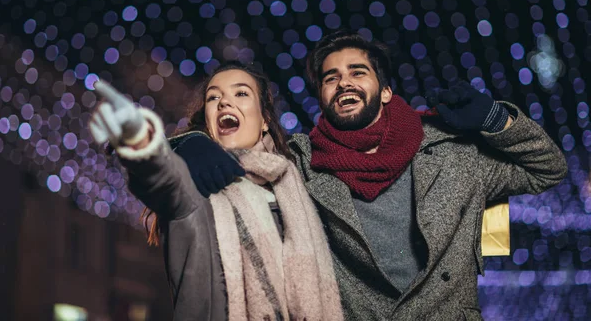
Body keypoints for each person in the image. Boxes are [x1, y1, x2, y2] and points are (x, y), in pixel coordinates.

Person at [185, 31, 569, 320]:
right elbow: (242, 145)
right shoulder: (301, 162)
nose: (344, 83)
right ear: (321, 95)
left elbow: (547, 169)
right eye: (331, 78)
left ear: (384, 91)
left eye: (357, 72)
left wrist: (494, 118)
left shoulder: (453, 153)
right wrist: (188, 142)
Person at [88, 62, 344, 321]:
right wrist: (142, 142)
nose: (224, 103)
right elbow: (163, 179)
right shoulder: (197, 188)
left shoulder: (300, 187)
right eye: (213, 97)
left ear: (265, 120)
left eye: (241, 93)